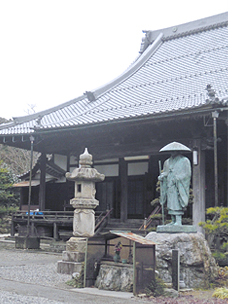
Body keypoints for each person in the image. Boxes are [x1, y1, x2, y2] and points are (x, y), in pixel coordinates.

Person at [158, 142, 191, 226]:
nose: (172, 152)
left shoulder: (184, 160)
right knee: (170, 203)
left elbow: (187, 174)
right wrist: (162, 176)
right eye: (171, 151)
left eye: (174, 151)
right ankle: (173, 220)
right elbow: (165, 172)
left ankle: (178, 221)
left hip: (178, 185)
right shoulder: (167, 162)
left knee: (177, 202)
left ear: (178, 151)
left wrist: (177, 178)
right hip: (169, 185)